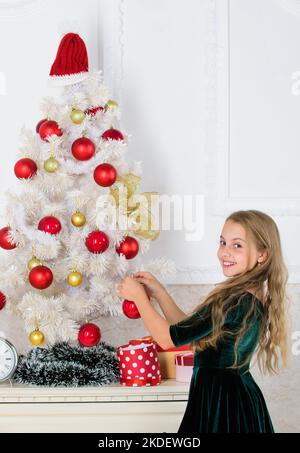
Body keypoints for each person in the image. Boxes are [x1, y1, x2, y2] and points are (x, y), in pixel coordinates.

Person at [116, 210, 289, 433]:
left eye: (237, 245)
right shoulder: (247, 295)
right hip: (232, 394)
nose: (225, 252)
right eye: (222, 242)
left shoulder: (234, 301)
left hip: (223, 401)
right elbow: (188, 331)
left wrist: (139, 298)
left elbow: (168, 339)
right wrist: (160, 294)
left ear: (262, 254)